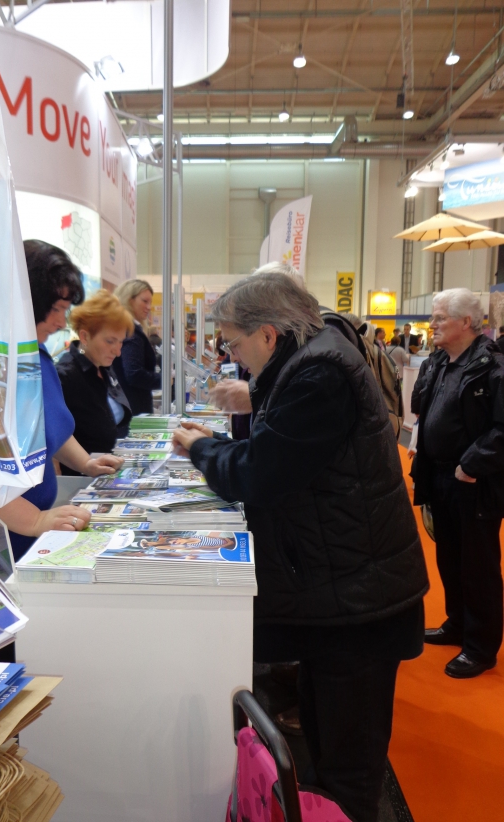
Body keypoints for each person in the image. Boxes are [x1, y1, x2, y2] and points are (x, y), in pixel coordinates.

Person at [173, 271, 428, 822]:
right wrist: (230, 431)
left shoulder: (319, 373)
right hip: (341, 590)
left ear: (268, 334)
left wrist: (202, 449)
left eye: (234, 344)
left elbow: (261, 472)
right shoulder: (312, 357)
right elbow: (282, 450)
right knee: (325, 735)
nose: (234, 358)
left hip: (358, 600)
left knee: (348, 762)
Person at [0, 241, 123, 562]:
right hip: (3, 536)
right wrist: (34, 520)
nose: (62, 323)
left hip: (35, 529)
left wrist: (86, 463)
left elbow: (51, 428)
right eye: (57, 309)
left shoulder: (36, 357)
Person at [410, 288, 504, 679]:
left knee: (478, 564)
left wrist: (472, 463)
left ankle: (481, 647)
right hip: (439, 476)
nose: (431, 324)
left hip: (474, 481)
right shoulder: (438, 362)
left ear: (466, 322)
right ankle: (457, 624)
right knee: (449, 557)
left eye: (440, 317)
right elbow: (420, 409)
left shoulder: (492, 367)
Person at [55, 290, 134, 474]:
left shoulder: (102, 365)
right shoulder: (66, 376)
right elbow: (53, 439)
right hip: (80, 478)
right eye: (110, 341)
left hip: (107, 468)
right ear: (85, 337)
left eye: (120, 342)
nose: (117, 352)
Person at [112, 279, 161, 415]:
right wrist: (163, 379)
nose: (149, 307)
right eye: (144, 301)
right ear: (129, 300)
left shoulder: (126, 328)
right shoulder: (131, 332)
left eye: (150, 302)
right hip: (134, 409)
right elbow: (134, 374)